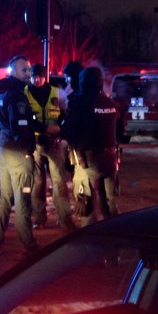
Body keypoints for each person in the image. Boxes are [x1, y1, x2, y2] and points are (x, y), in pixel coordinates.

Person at [60, 67, 123, 227]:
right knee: (110, 203)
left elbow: (67, 132)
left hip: (87, 162)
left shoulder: (80, 104)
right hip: (110, 160)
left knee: (85, 204)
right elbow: (121, 131)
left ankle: (90, 244)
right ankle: (117, 238)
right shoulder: (112, 104)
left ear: (82, 83)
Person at [0, 55, 39, 257]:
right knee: (23, 199)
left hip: (2, 146)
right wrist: (28, 150)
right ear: (13, 72)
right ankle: (28, 245)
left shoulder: (1, 91)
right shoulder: (17, 95)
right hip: (16, 150)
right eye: (24, 70)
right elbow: (20, 126)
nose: (28, 73)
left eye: (29, 70)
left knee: (5, 197)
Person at [26, 64, 76, 232]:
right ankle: (39, 219)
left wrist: (61, 129)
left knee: (59, 182)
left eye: (39, 76)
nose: (36, 79)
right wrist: (44, 128)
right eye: (34, 76)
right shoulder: (25, 93)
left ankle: (65, 219)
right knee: (37, 183)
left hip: (54, 142)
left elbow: (66, 115)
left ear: (45, 76)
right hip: (35, 143)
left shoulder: (56, 92)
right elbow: (26, 118)